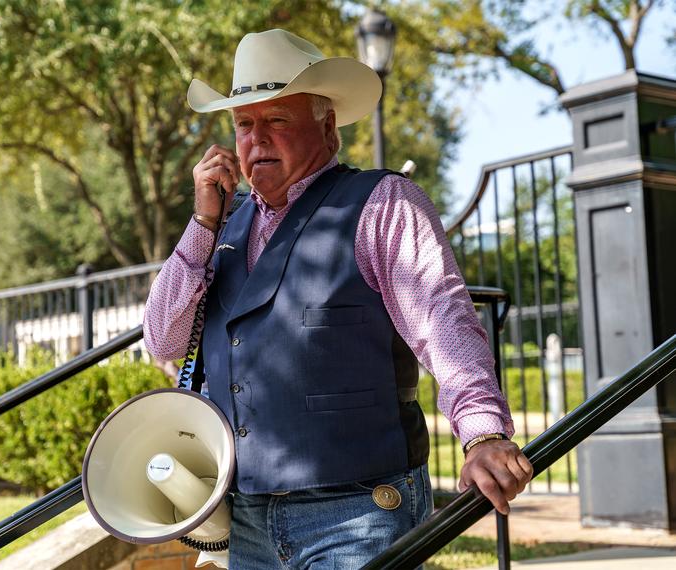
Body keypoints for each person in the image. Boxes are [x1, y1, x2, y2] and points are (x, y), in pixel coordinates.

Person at [144, 28, 533, 569]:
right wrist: (202, 223)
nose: (257, 140)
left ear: (326, 125)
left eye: (277, 120)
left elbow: (442, 319)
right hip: (251, 519)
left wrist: (483, 432)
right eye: (244, 124)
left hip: (362, 513)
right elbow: (161, 340)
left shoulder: (383, 201)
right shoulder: (221, 229)